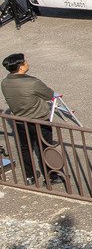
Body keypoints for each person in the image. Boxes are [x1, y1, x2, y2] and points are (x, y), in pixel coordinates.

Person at [2, 53, 63, 185]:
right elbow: (49, 94)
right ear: (21, 67)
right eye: (25, 61)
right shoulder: (32, 82)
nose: (27, 62)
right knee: (45, 147)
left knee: (25, 148)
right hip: (39, 119)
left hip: (19, 120)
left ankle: (29, 176)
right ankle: (51, 176)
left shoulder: (5, 82)